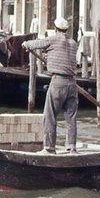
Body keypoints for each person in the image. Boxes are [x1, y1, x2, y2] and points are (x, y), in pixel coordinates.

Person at [22, 18, 79, 154]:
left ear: (55, 29)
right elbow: (61, 55)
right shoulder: (73, 43)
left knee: (50, 115)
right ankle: (72, 147)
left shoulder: (53, 39)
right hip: (72, 83)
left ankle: (49, 148)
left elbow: (37, 43)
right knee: (71, 117)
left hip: (58, 81)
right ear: (67, 30)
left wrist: (25, 43)